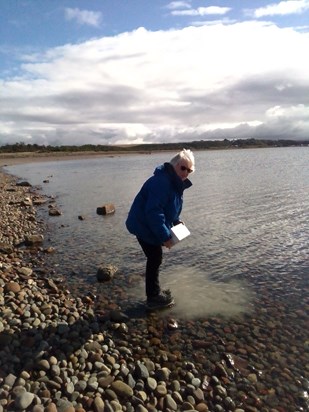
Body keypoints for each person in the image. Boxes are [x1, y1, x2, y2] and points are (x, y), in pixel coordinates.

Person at [126, 148, 195, 310]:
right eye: (183, 168)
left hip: (147, 223)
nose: (186, 172)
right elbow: (154, 212)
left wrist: (176, 222)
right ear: (174, 165)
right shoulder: (162, 182)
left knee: (155, 257)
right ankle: (153, 297)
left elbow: (168, 209)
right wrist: (165, 237)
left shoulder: (175, 183)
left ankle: (154, 293)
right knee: (155, 257)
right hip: (142, 224)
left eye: (189, 170)